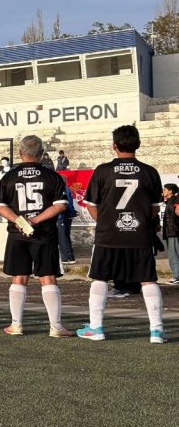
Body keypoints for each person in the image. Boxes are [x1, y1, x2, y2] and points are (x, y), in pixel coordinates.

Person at [78, 125, 166, 344]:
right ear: (138, 144)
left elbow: (90, 205)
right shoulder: (149, 171)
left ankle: (96, 328)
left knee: (99, 278)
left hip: (109, 235)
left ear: (114, 145)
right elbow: (155, 207)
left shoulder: (102, 170)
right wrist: (140, 221)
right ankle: (156, 331)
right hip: (139, 234)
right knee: (147, 279)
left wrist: (108, 221)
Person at [0, 135, 73, 338]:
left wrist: (20, 222)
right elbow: (60, 205)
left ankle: (16, 324)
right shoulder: (52, 176)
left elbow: (0, 206)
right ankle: (56, 326)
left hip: (17, 234)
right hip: (44, 233)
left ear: (21, 153)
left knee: (19, 277)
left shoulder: (9, 177)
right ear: (41, 154)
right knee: (48, 277)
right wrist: (35, 220)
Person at [162, 184, 179, 285]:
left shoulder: (174, 200)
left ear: (170, 191)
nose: (163, 191)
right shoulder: (170, 201)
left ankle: (176, 276)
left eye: (165, 189)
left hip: (173, 231)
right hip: (172, 231)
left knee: (174, 254)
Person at [58, 186, 77, 264]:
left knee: (63, 236)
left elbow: (68, 202)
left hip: (62, 216)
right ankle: (67, 257)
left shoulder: (63, 188)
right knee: (63, 236)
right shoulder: (64, 188)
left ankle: (68, 257)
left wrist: (71, 213)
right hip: (61, 216)